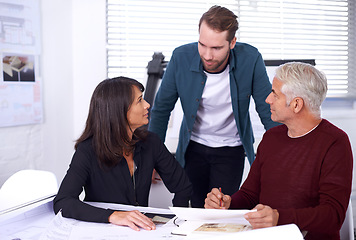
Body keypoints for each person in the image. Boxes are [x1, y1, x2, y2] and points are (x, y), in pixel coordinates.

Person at [204, 62, 353, 240]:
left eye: (275, 94)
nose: (268, 99)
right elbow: (250, 194)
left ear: (296, 104)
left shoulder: (335, 142)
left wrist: (279, 218)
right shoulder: (271, 138)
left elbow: (332, 216)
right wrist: (227, 203)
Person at [148, 5, 279, 208]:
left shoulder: (251, 58)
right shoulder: (181, 57)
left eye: (217, 48)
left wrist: (283, 154)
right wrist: (152, 158)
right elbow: (161, 109)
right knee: (197, 209)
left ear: (232, 42)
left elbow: (268, 110)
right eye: (202, 45)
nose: (208, 55)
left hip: (231, 149)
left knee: (223, 211)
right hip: (193, 147)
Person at [53, 77, 192, 231]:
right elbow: (63, 201)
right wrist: (113, 216)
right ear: (119, 110)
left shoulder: (151, 142)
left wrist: (178, 224)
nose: (147, 105)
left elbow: (183, 186)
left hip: (141, 231)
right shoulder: (88, 150)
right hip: (102, 230)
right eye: (139, 100)